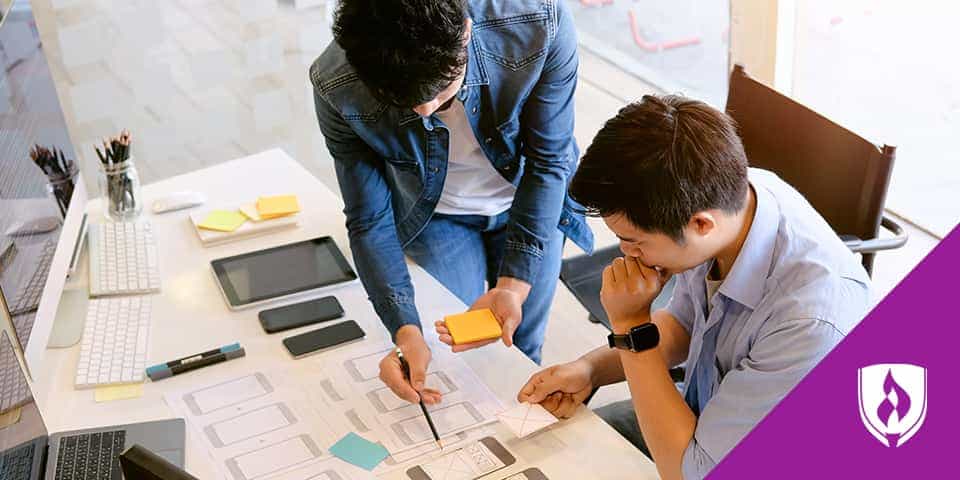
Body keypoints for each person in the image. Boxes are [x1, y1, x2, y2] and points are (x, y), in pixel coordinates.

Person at [517, 95, 871, 480]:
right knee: (551, 448)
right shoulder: (730, 200)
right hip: (704, 411)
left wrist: (631, 325)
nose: (626, 253)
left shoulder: (809, 321)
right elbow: (683, 325)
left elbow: (690, 472)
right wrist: (590, 370)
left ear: (701, 224)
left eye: (635, 241)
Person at [310, 0, 592, 406]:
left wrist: (513, 284)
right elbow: (368, 219)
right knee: (441, 347)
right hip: (434, 215)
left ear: (465, 31)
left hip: (529, 198)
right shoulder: (336, 81)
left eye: (441, 92)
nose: (425, 110)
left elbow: (549, 160)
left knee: (521, 340)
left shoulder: (537, 21)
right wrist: (405, 330)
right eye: (403, 101)